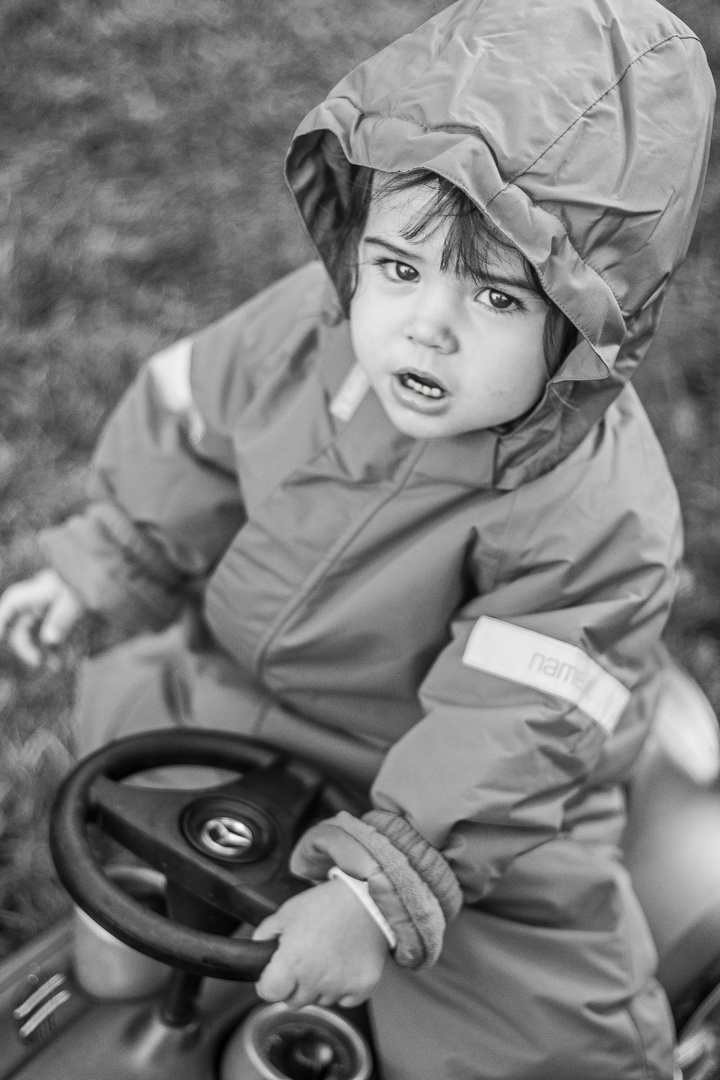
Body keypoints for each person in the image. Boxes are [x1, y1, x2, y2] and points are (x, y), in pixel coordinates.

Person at [0, 0, 714, 1075]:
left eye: (495, 295)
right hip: (235, 690)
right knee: (125, 757)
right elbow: (191, 428)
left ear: (584, 323)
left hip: (447, 790)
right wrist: (112, 551)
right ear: (356, 235)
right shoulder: (307, 327)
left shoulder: (592, 515)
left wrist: (382, 887)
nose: (427, 323)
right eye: (399, 267)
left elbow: (515, 726)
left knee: (548, 1027)